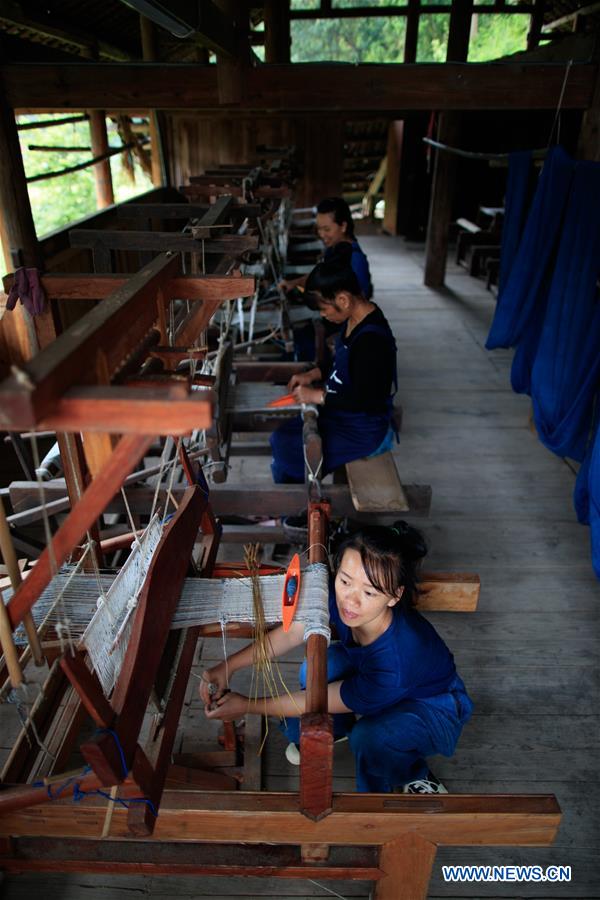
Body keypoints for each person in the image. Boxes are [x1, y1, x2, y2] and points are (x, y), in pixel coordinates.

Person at [200, 522, 473, 794]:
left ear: (394, 596)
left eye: (369, 592)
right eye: (345, 581)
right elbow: (294, 632)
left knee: (369, 738)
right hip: (379, 677)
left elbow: (318, 698)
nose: (350, 601)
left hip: (434, 706)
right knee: (317, 668)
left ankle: (410, 774)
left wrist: (247, 705)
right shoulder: (337, 596)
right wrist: (227, 666)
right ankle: (338, 728)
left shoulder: (398, 661)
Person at [269, 245, 396, 484]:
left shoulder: (372, 340)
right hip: (343, 412)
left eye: (324, 309)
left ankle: (295, 510)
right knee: (283, 437)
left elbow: (366, 399)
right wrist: (314, 374)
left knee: (288, 446)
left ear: (343, 299)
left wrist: (317, 396)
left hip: (361, 428)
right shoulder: (355, 320)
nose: (324, 316)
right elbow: (348, 365)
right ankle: (293, 504)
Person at [282, 196, 373, 300]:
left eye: (327, 229)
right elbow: (320, 277)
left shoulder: (355, 260)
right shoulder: (333, 249)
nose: (321, 234)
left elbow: (359, 302)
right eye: (319, 229)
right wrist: (293, 283)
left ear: (343, 226)